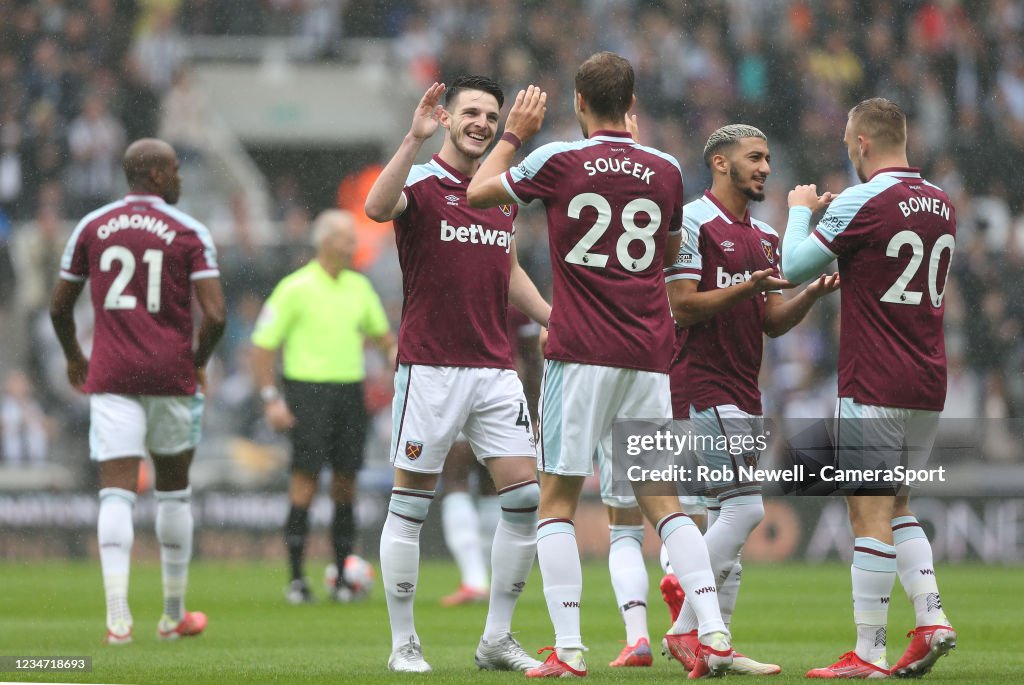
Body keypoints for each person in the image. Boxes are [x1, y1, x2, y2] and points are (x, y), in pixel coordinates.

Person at [468, 52, 734, 679]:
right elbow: (669, 257)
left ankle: (568, 649)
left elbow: (478, 192)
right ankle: (714, 633)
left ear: (580, 102)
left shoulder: (557, 159)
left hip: (580, 350)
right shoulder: (667, 169)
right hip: (647, 356)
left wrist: (512, 135)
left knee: (557, 501)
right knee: (664, 503)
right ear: (632, 103)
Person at [364, 75, 551, 673]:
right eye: (471, 111)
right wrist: (411, 140)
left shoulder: (497, 194)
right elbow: (374, 208)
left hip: (495, 368)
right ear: (446, 117)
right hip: (431, 366)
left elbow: (508, 270)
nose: (482, 123)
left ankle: (496, 638)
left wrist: (555, 318)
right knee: (411, 504)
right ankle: (403, 644)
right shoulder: (420, 180)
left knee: (524, 499)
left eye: (491, 116)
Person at [781, 98, 956, 679]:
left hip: (874, 377)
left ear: (860, 144)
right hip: (927, 378)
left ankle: (869, 651)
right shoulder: (943, 204)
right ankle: (931, 619)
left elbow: (792, 268)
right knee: (899, 505)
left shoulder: (864, 197)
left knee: (867, 512)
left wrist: (800, 211)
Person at [660, 123, 840, 676]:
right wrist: (749, 286)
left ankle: (717, 648)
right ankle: (684, 623)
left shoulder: (763, 236)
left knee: (726, 524)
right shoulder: (692, 222)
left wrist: (807, 294)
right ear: (720, 162)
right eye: (754, 157)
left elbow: (769, 322)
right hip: (700, 385)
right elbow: (683, 306)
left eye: (767, 157)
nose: (765, 167)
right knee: (747, 508)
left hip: (743, 388)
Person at [49, 138, 226, 644]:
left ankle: (117, 618)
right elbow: (215, 315)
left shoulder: (92, 226)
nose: (179, 178)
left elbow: (60, 307)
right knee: (174, 492)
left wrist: (74, 357)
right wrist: (198, 361)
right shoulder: (188, 231)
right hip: (171, 377)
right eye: (173, 170)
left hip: (112, 377)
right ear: (152, 175)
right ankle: (172, 615)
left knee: (116, 491)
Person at [250, 209, 395, 604]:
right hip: (307, 393)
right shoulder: (295, 288)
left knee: (346, 484)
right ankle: (297, 578)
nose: (354, 244)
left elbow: (384, 340)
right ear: (327, 242)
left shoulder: (358, 288)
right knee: (305, 481)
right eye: (348, 237)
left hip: (350, 393)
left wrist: (397, 366)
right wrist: (270, 399)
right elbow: (262, 346)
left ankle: (343, 574)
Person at [439, 307, 542, 607]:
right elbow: (530, 356)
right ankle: (487, 578)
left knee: (458, 479)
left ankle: (475, 579)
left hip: (458, 385)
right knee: (493, 488)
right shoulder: (512, 289)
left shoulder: (453, 282)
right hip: (503, 390)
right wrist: (534, 408)